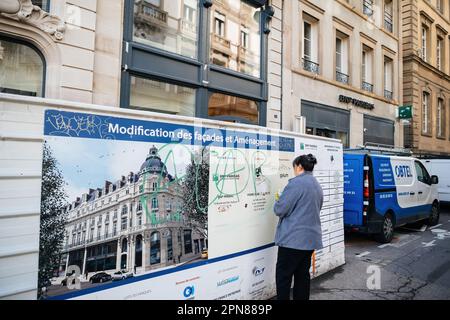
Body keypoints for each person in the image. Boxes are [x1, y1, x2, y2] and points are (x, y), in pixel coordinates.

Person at [273, 154, 324, 300]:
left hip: (292, 241)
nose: (294, 170)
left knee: (283, 278)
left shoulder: (295, 184)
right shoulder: (316, 185)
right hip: (309, 242)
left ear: (299, 166)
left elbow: (280, 210)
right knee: (302, 278)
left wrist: (278, 200)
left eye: (294, 167)